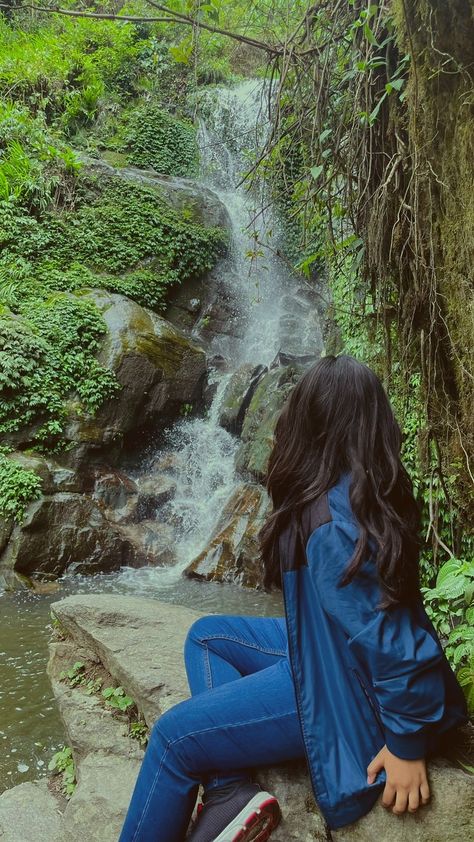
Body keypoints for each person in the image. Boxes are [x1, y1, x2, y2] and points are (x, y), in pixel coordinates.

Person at [118, 354, 468, 842]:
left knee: (174, 739)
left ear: (310, 423)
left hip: (345, 694)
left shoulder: (329, 526)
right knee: (208, 635)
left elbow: (393, 641)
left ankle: (220, 784)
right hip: (331, 655)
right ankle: (227, 792)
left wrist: (407, 745)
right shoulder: (362, 490)